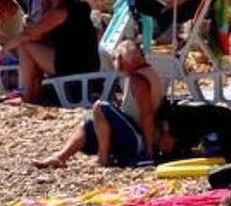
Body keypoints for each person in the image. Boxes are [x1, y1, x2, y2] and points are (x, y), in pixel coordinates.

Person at [33, 40, 166, 168]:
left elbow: (147, 114)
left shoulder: (138, 80)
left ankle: (103, 158)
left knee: (99, 106)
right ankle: (60, 157)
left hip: (138, 141)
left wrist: (148, 150)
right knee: (89, 122)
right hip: (135, 134)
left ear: (122, 59)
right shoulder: (148, 73)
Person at [4, 0, 100, 106]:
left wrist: (3, 50)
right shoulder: (74, 8)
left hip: (74, 64)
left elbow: (29, 34)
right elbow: (38, 36)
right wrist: (44, 10)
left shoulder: (61, 12)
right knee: (33, 47)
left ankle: (27, 95)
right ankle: (34, 93)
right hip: (84, 63)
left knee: (25, 46)